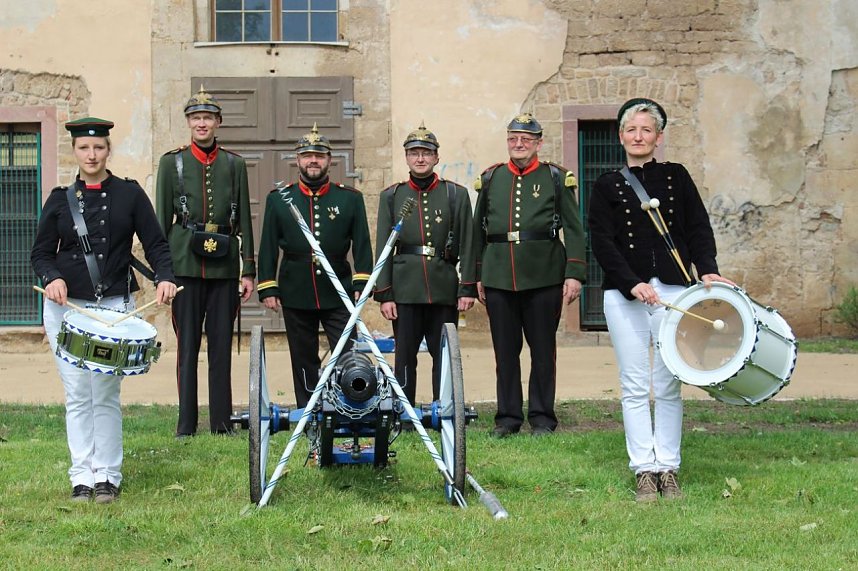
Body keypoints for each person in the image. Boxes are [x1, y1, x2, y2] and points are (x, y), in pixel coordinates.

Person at [588, 98, 735, 502]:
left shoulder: (677, 176)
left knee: (669, 383)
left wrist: (707, 268)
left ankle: (667, 467)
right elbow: (601, 241)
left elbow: (698, 227)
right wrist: (631, 282)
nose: (638, 136)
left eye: (646, 130)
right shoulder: (606, 184)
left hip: (674, 290)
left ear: (658, 137)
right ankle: (644, 470)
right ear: (621, 136)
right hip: (625, 296)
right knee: (634, 384)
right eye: (631, 130)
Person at [31, 117, 177, 503]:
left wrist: (165, 277)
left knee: (105, 394)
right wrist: (51, 278)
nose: (91, 155)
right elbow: (41, 253)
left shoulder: (130, 194)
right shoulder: (59, 199)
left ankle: (107, 476)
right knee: (78, 394)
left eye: (98, 147)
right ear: (74, 152)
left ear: (108, 150)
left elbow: (156, 243)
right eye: (84, 148)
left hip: (114, 309)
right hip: (67, 310)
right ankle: (81, 476)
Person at [473, 113, 586, 438]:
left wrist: (574, 273)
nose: (519, 144)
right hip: (498, 276)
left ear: (538, 143)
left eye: (526, 139)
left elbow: (573, 229)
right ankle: (507, 419)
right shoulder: (492, 178)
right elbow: (478, 232)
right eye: (513, 138)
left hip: (544, 276)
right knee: (505, 353)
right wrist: (476, 274)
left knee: (543, 351)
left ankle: (542, 419)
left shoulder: (555, 177)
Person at [156, 87, 256, 437]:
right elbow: (161, 222)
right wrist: (162, 273)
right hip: (184, 266)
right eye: (196, 118)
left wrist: (248, 270)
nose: (202, 123)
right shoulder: (172, 163)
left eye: (208, 118)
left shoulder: (234, 164)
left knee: (221, 347)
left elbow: (245, 221)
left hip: (224, 268)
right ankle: (186, 424)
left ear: (218, 122)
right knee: (187, 348)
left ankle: (221, 423)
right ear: (188, 122)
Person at [256, 124, 373, 408]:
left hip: (339, 290)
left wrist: (361, 282)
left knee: (348, 355)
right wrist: (268, 286)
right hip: (296, 289)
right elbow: (268, 245)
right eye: (307, 155)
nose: (313, 161)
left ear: (329, 160)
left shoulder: (350, 198)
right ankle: (308, 412)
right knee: (303, 358)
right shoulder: (279, 199)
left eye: (319, 156)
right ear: (297, 160)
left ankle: (347, 410)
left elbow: (362, 244)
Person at [374, 123, 477, 405]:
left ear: (436, 157)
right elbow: (383, 247)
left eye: (426, 153)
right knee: (405, 356)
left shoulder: (455, 194)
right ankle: (404, 411)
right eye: (414, 153)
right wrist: (385, 294)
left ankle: (444, 409)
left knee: (444, 354)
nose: (420, 158)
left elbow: (468, 243)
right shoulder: (392, 196)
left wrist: (467, 288)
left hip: (443, 287)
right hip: (405, 289)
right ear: (406, 157)